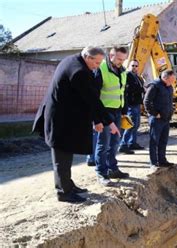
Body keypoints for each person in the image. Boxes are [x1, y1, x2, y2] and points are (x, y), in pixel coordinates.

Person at [32, 46, 119, 203]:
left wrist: (98, 120)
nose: (98, 66)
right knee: (61, 158)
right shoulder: (79, 71)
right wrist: (109, 122)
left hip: (66, 117)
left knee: (67, 153)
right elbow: (92, 100)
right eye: (97, 62)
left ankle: (68, 185)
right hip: (60, 120)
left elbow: (85, 98)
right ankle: (63, 192)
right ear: (87, 57)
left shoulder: (73, 60)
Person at [94, 46, 130, 186]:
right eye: (119, 59)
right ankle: (101, 173)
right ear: (111, 55)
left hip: (117, 111)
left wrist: (123, 111)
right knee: (103, 143)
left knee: (115, 142)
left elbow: (122, 92)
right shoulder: (101, 69)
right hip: (104, 111)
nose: (121, 62)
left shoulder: (123, 71)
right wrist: (98, 118)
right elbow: (95, 96)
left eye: (123, 59)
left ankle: (112, 169)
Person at [144, 69, 175, 169]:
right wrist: (155, 113)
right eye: (171, 80)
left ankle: (162, 160)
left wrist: (171, 110)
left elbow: (169, 101)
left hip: (166, 119)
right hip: (157, 119)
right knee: (154, 141)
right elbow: (146, 101)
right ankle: (153, 163)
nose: (172, 82)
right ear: (165, 77)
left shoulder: (169, 87)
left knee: (163, 141)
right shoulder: (154, 86)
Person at [119, 60, 145, 152]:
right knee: (130, 125)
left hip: (136, 103)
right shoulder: (127, 75)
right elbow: (130, 89)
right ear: (128, 66)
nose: (134, 67)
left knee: (136, 124)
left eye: (136, 66)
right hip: (131, 104)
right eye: (133, 65)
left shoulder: (136, 76)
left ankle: (132, 142)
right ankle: (123, 144)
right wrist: (141, 89)